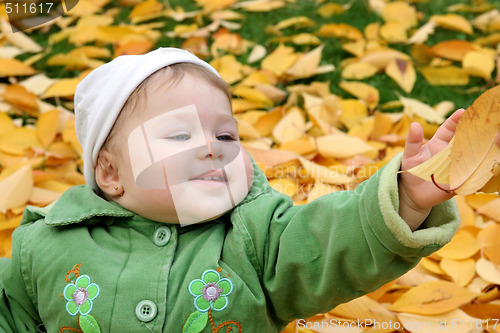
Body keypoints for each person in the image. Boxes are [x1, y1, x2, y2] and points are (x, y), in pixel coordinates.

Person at [0, 47, 462, 333]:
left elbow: (327, 243)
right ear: (110, 174)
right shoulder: (45, 245)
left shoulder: (258, 235)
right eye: (180, 136)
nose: (211, 150)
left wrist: (403, 197)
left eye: (225, 137)